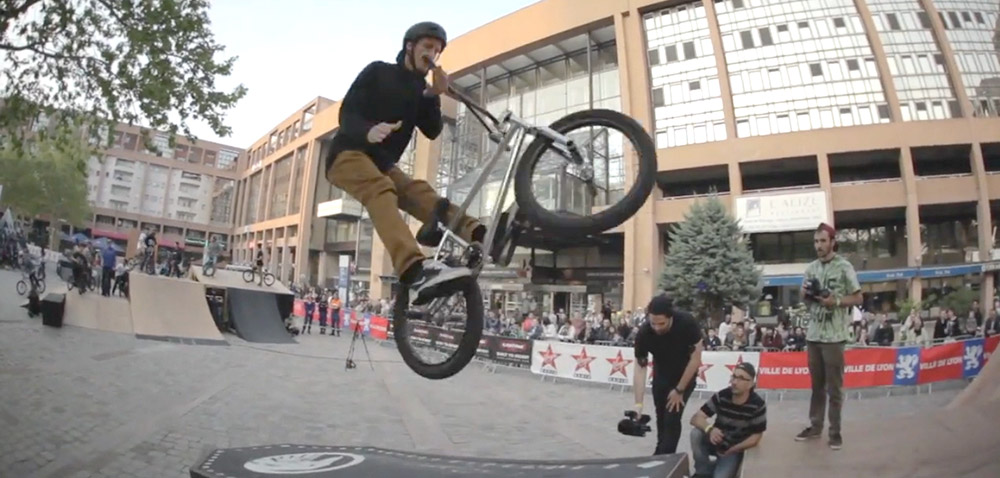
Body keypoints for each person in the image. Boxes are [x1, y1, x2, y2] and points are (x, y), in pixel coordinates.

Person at [323, 21, 486, 305]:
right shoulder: (379, 71)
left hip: (382, 162)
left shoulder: (421, 92)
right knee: (380, 189)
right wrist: (368, 131)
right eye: (427, 47)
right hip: (347, 154)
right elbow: (347, 112)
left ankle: (476, 231)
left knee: (418, 191)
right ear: (410, 47)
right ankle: (412, 269)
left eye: (437, 51)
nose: (432, 55)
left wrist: (434, 96)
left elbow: (433, 130)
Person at [795, 223, 862, 450]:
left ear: (833, 241)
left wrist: (836, 301)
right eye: (816, 242)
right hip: (814, 334)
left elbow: (858, 298)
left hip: (834, 336)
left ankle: (835, 433)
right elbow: (803, 297)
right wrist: (805, 293)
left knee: (834, 388)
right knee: (816, 386)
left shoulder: (844, 267)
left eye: (823, 241)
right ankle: (815, 426)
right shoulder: (811, 267)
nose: (819, 246)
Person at [632, 294, 704, 455]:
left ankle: (662, 459)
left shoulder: (686, 323)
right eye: (653, 323)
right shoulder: (644, 333)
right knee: (662, 420)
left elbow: (696, 358)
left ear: (670, 318)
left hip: (685, 375)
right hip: (661, 376)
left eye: (661, 324)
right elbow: (640, 368)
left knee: (672, 418)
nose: (657, 327)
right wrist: (638, 405)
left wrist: (679, 390)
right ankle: (662, 457)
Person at [689, 362, 767, 478]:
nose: (734, 382)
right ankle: (702, 471)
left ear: (750, 384)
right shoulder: (722, 396)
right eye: (734, 376)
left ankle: (720, 467)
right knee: (696, 433)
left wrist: (733, 449)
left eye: (741, 379)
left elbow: (756, 437)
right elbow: (695, 418)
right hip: (716, 440)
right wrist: (710, 429)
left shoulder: (757, 404)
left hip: (734, 449)